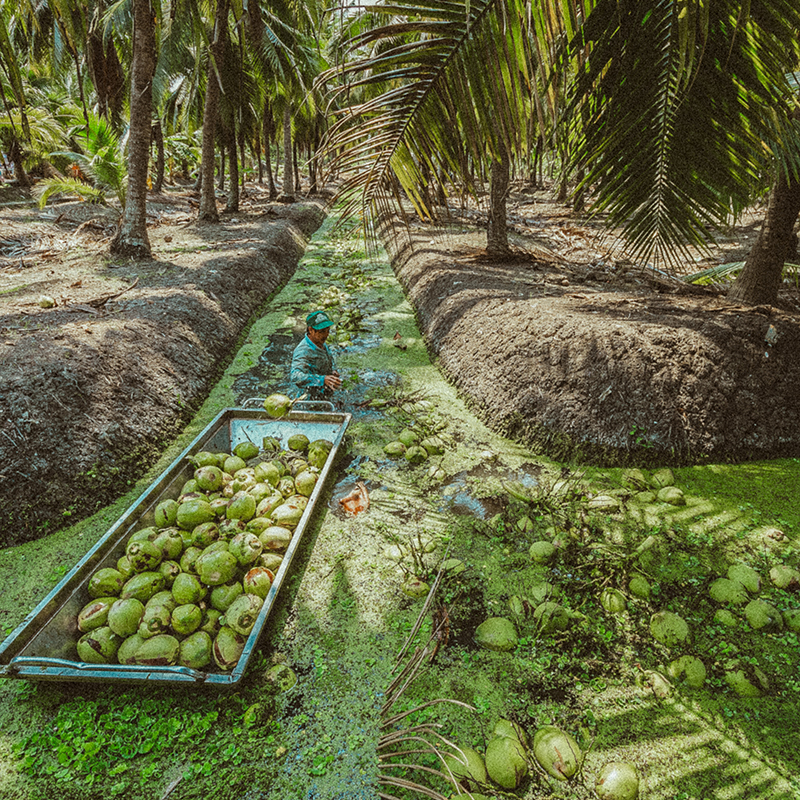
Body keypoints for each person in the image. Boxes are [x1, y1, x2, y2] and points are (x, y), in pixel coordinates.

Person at [290, 310, 342, 399]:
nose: (326, 335)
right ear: (310, 330)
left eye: (328, 330)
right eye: (322, 331)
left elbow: (330, 358)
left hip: (325, 390)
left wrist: (333, 370)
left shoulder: (320, 342)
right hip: (309, 397)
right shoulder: (303, 350)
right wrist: (322, 380)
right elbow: (295, 376)